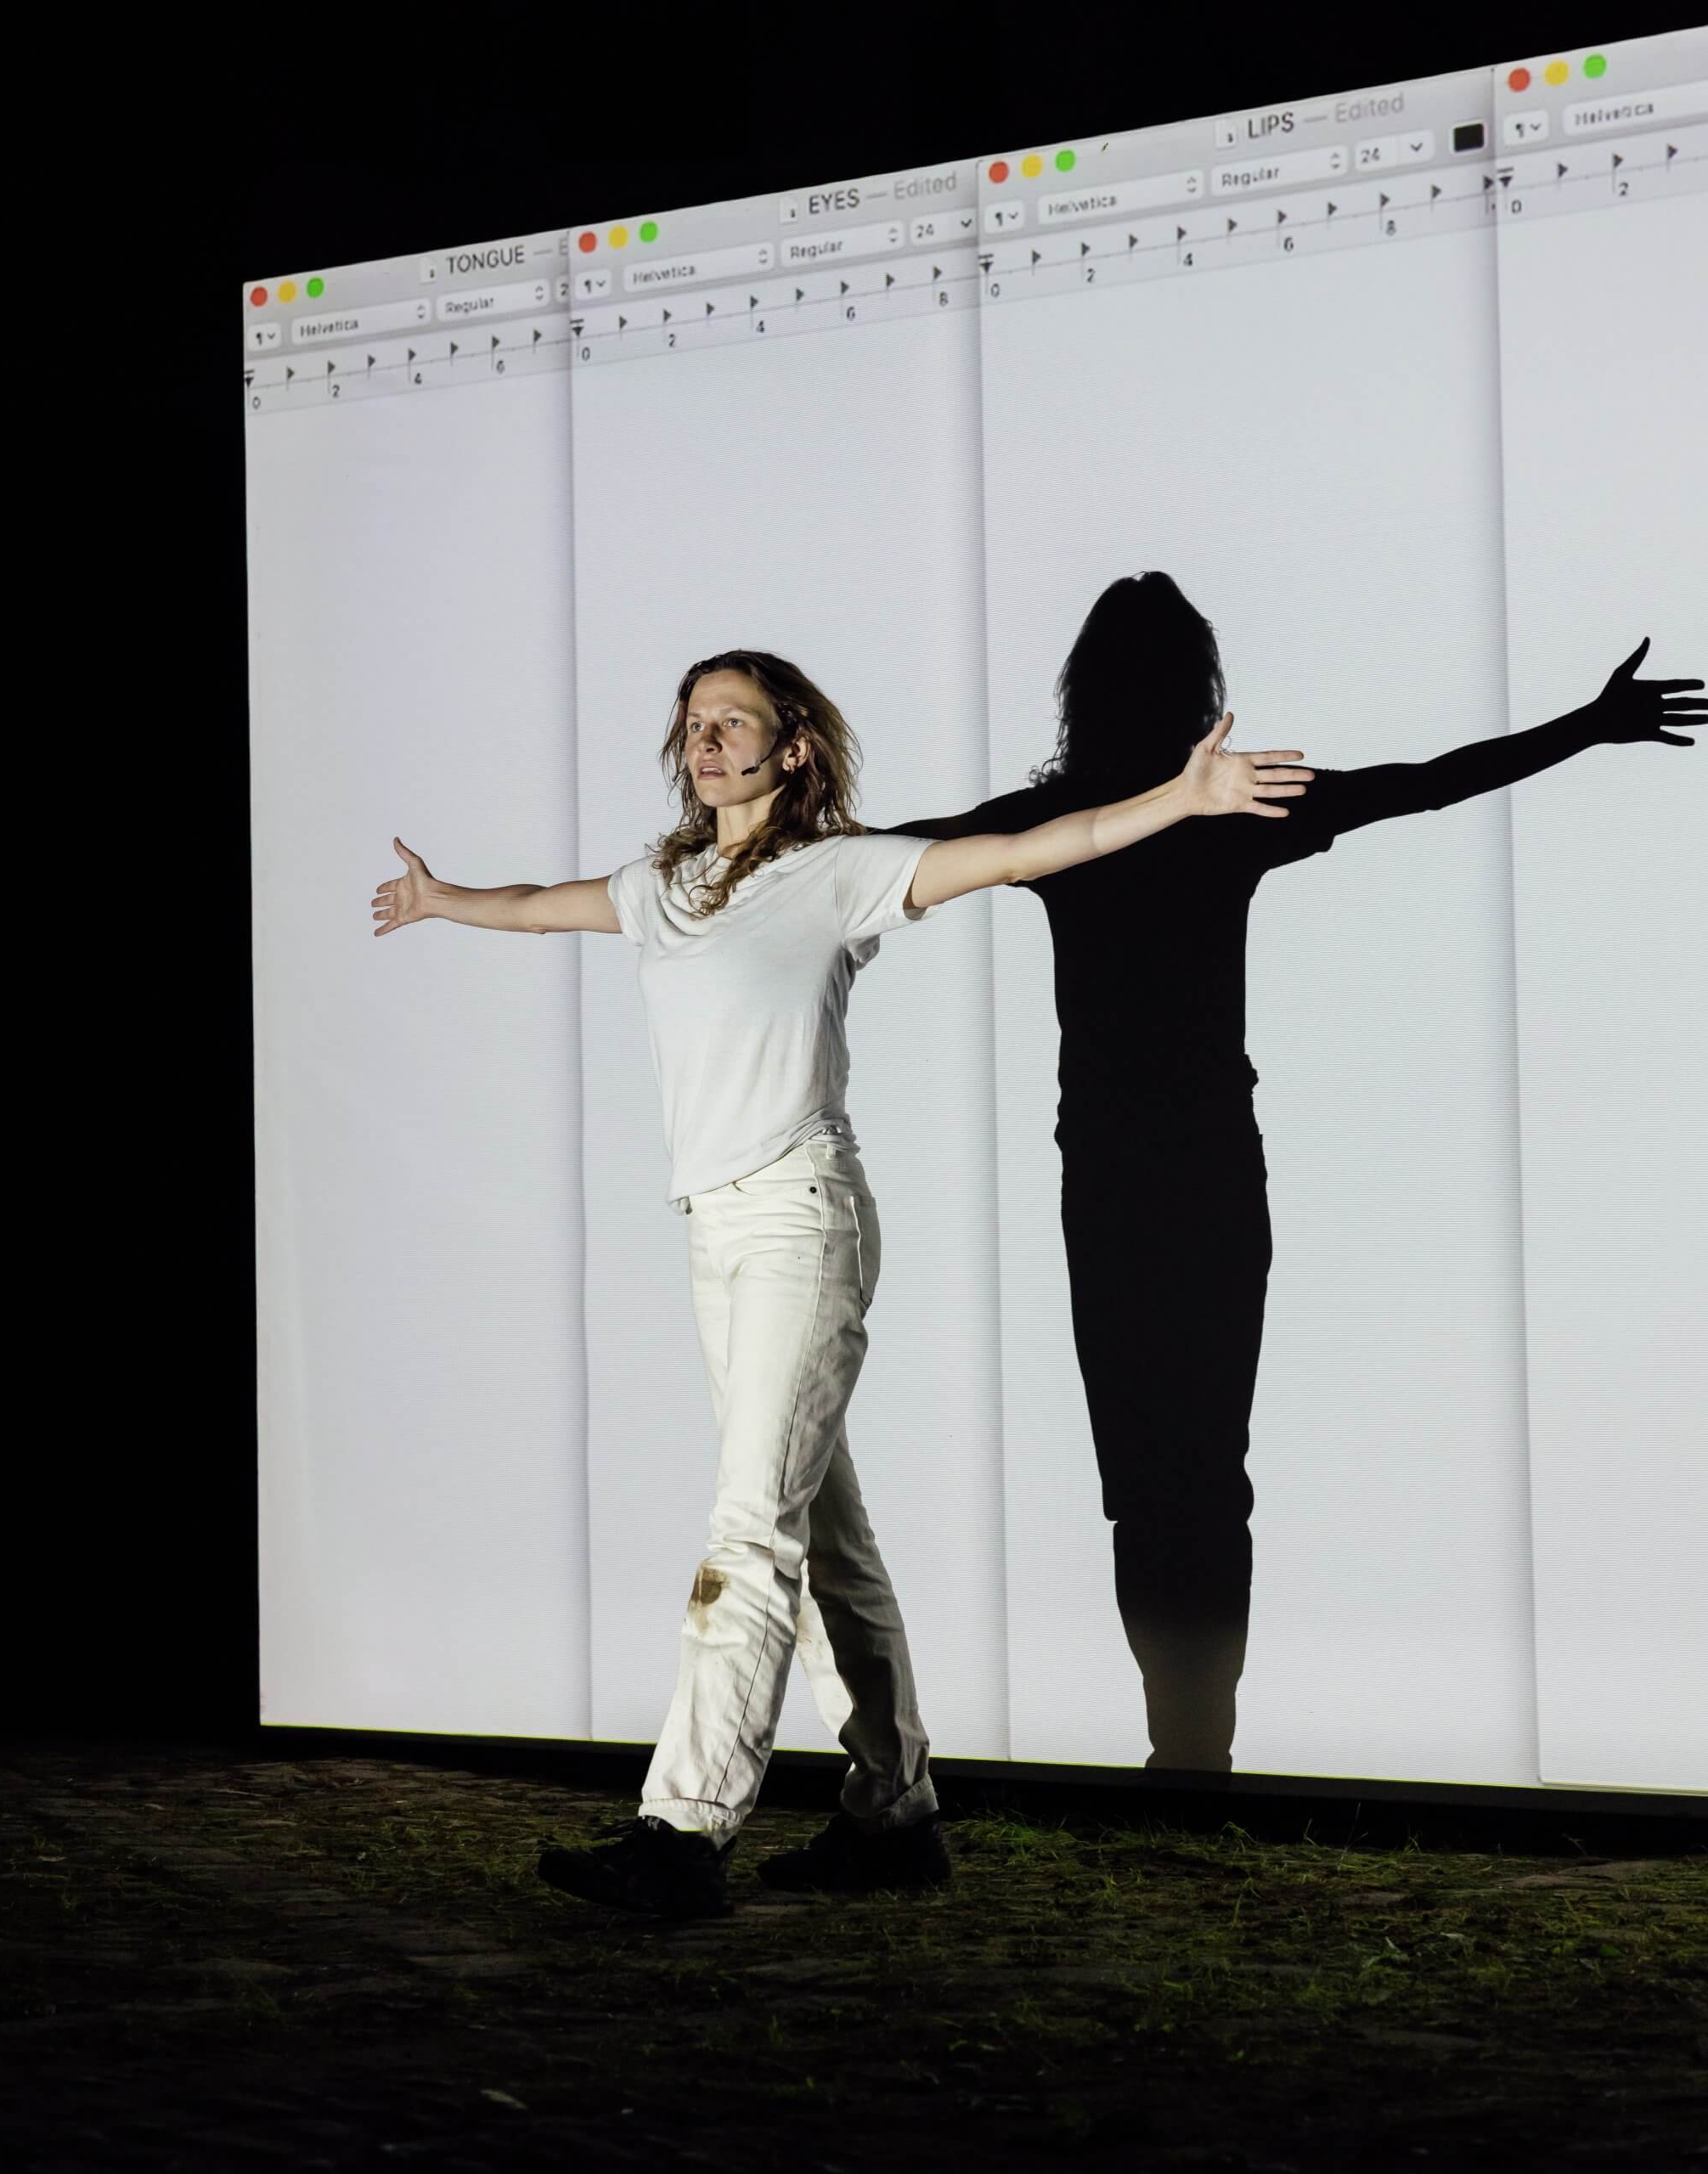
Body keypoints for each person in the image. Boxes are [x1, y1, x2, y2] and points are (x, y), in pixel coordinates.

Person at [370, 646, 1311, 1917]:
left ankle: (684, 1829)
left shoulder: (834, 874)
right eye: (693, 722)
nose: (705, 742)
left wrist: (1178, 802)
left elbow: (1035, 847)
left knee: (749, 1530)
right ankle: (894, 1813)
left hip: (801, 1226)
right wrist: (443, 899)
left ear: (792, 747)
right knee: (822, 1541)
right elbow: (545, 903)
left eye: (733, 723)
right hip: (716, 1234)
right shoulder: (665, 885)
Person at [869, 576, 1704, 1777]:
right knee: (1206, 1471)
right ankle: (1197, 1754)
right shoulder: (1227, 810)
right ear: (1198, 686)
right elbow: (1424, 782)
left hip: (1108, 1180)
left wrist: (745, 832)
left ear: (1081, 691)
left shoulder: (1060, 817)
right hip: (1207, 1171)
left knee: (1146, 1479)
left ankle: (1184, 1749)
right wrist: (1587, 724)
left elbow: (884, 855)